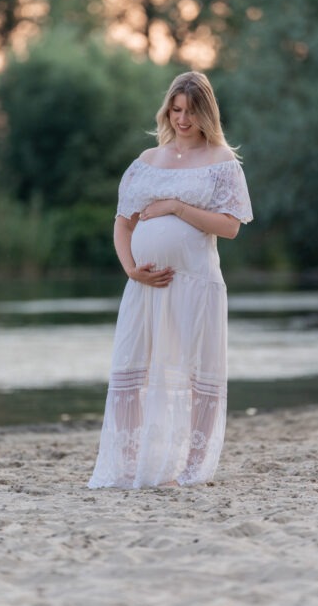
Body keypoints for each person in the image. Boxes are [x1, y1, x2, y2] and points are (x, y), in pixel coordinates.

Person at [88, 71, 253, 489]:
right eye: (176, 110)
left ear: (206, 113)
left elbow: (230, 226)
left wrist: (177, 207)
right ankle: (128, 465)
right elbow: (123, 225)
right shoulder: (146, 162)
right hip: (145, 287)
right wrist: (130, 268)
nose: (182, 119)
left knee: (197, 375)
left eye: (191, 111)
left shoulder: (221, 162)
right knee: (132, 371)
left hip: (196, 284)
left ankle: (191, 469)